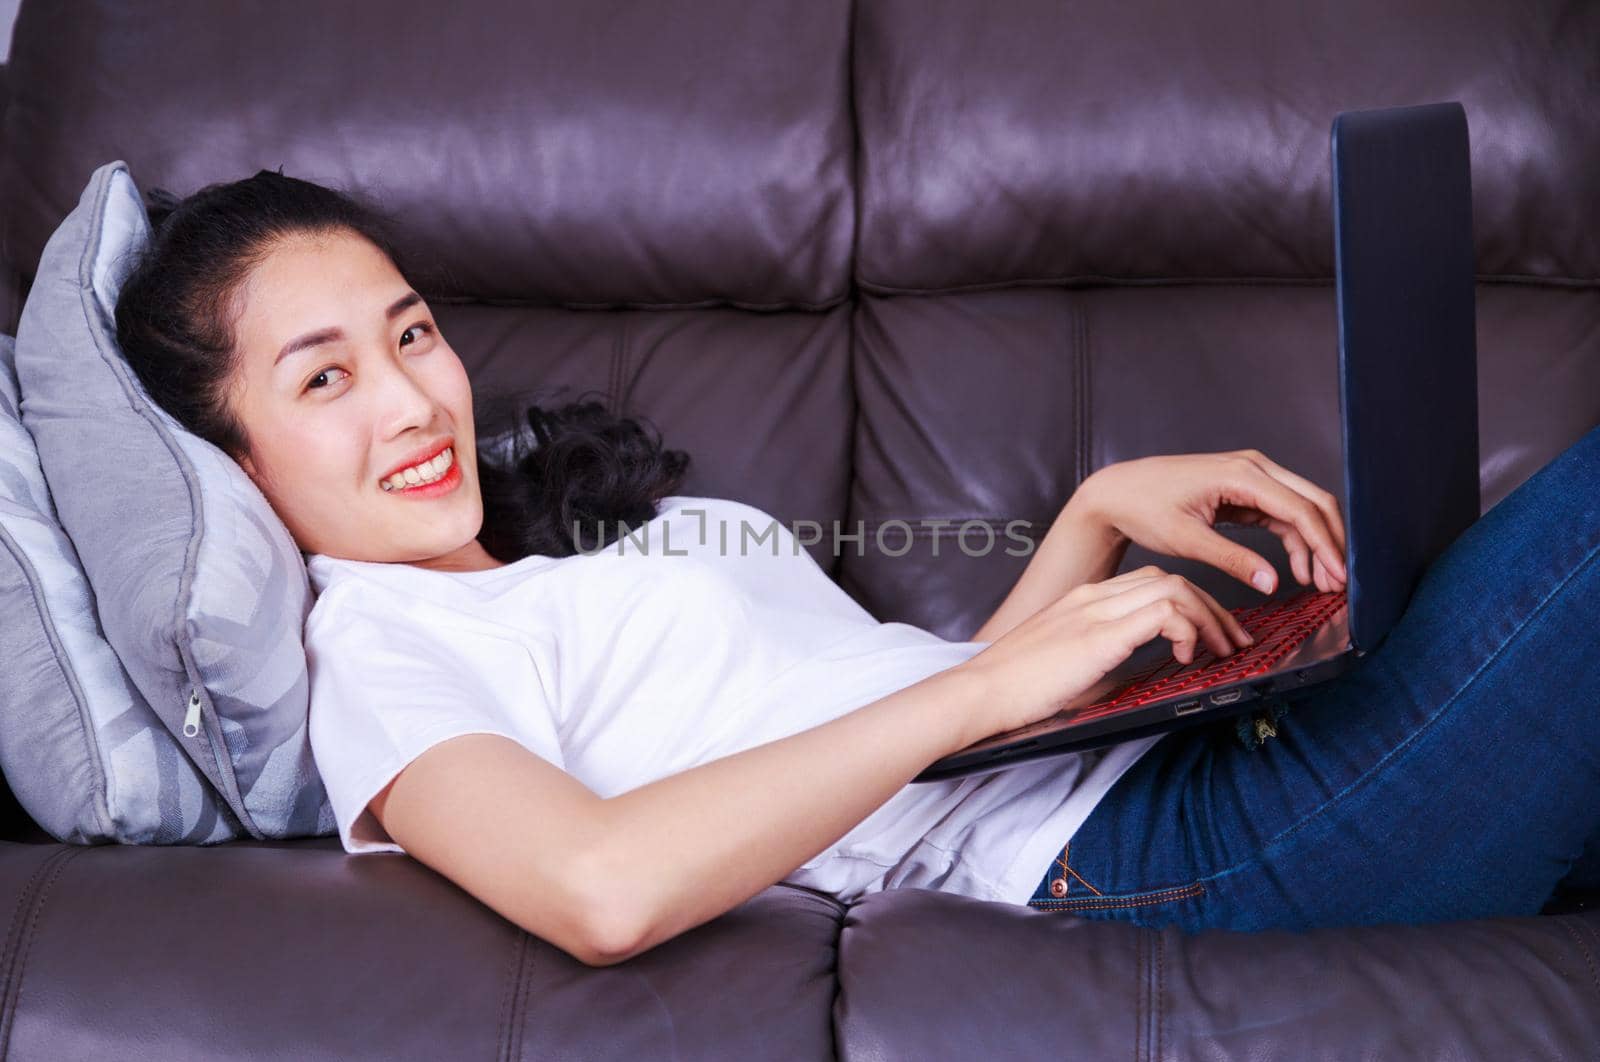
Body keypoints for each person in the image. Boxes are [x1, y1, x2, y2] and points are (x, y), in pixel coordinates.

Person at [113, 170, 1600, 968]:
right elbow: (600, 886)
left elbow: (917, 764)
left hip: (1153, 772)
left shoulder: (559, 563)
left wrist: (1085, 518)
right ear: (235, 465)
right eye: (322, 382)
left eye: (412, 333)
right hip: (1156, 863)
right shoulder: (376, 651)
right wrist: (991, 687)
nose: (409, 399)